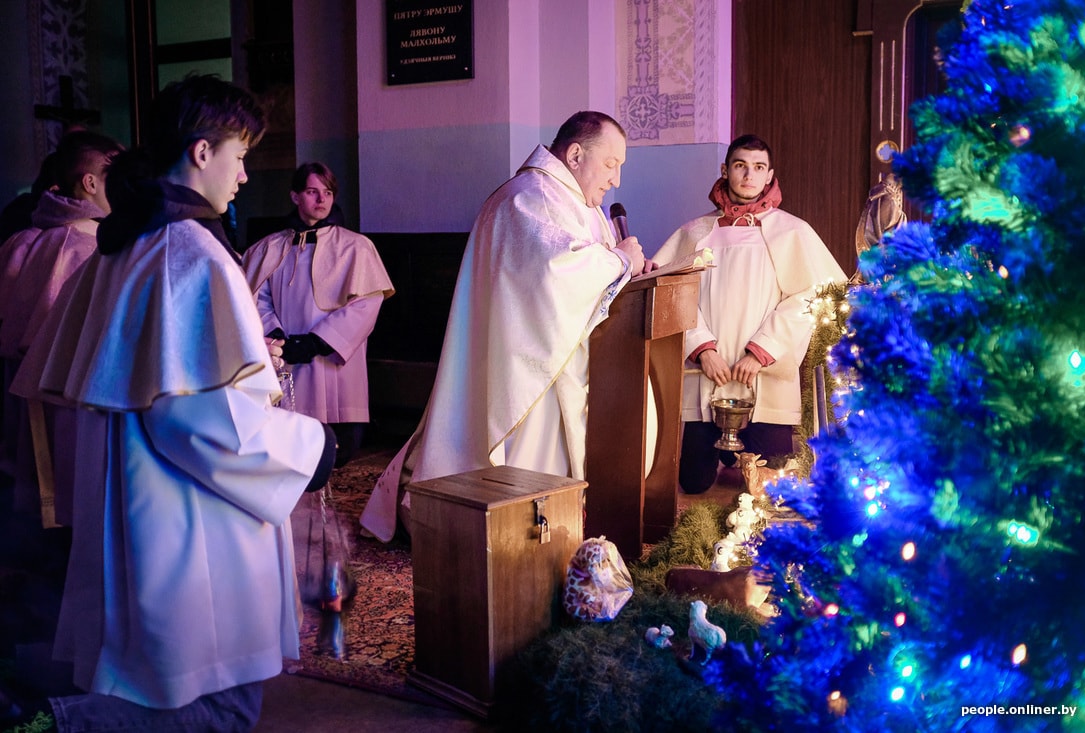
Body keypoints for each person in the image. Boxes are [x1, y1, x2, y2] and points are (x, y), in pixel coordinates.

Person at [12, 74, 337, 732]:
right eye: (239, 155)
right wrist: (309, 447)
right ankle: (52, 720)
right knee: (221, 702)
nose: (244, 176)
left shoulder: (128, 240)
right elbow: (193, 418)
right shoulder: (187, 251)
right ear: (200, 152)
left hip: (144, 502)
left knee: (168, 680)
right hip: (192, 511)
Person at [360, 110, 651, 542]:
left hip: (562, 359)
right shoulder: (529, 197)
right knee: (523, 479)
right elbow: (556, 274)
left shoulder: (575, 202)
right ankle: (517, 539)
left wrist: (631, 269)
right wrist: (621, 260)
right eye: (611, 164)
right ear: (575, 154)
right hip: (530, 370)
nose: (617, 180)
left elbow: (592, 268)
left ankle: (555, 530)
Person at [653, 134, 845, 494]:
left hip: (764, 378)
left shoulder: (793, 232)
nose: (748, 175)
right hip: (707, 371)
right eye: (740, 166)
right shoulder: (695, 233)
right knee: (693, 485)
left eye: (758, 168)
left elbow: (814, 294)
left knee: (769, 490)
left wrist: (761, 351)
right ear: (725, 170)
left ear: (770, 175)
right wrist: (702, 348)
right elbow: (670, 293)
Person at [0, 130, 121, 527]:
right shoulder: (80, 244)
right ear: (90, 183)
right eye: (114, 177)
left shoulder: (35, 237)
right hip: (74, 395)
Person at [243, 161, 394, 467]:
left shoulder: (356, 247)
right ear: (295, 196)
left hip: (333, 361)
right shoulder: (268, 248)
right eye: (312, 191)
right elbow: (257, 299)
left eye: (327, 192)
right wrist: (275, 335)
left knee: (339, 449)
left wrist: (317, 342)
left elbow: (366, 304)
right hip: (286, 358)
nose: (322, 199)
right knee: (290, 449)